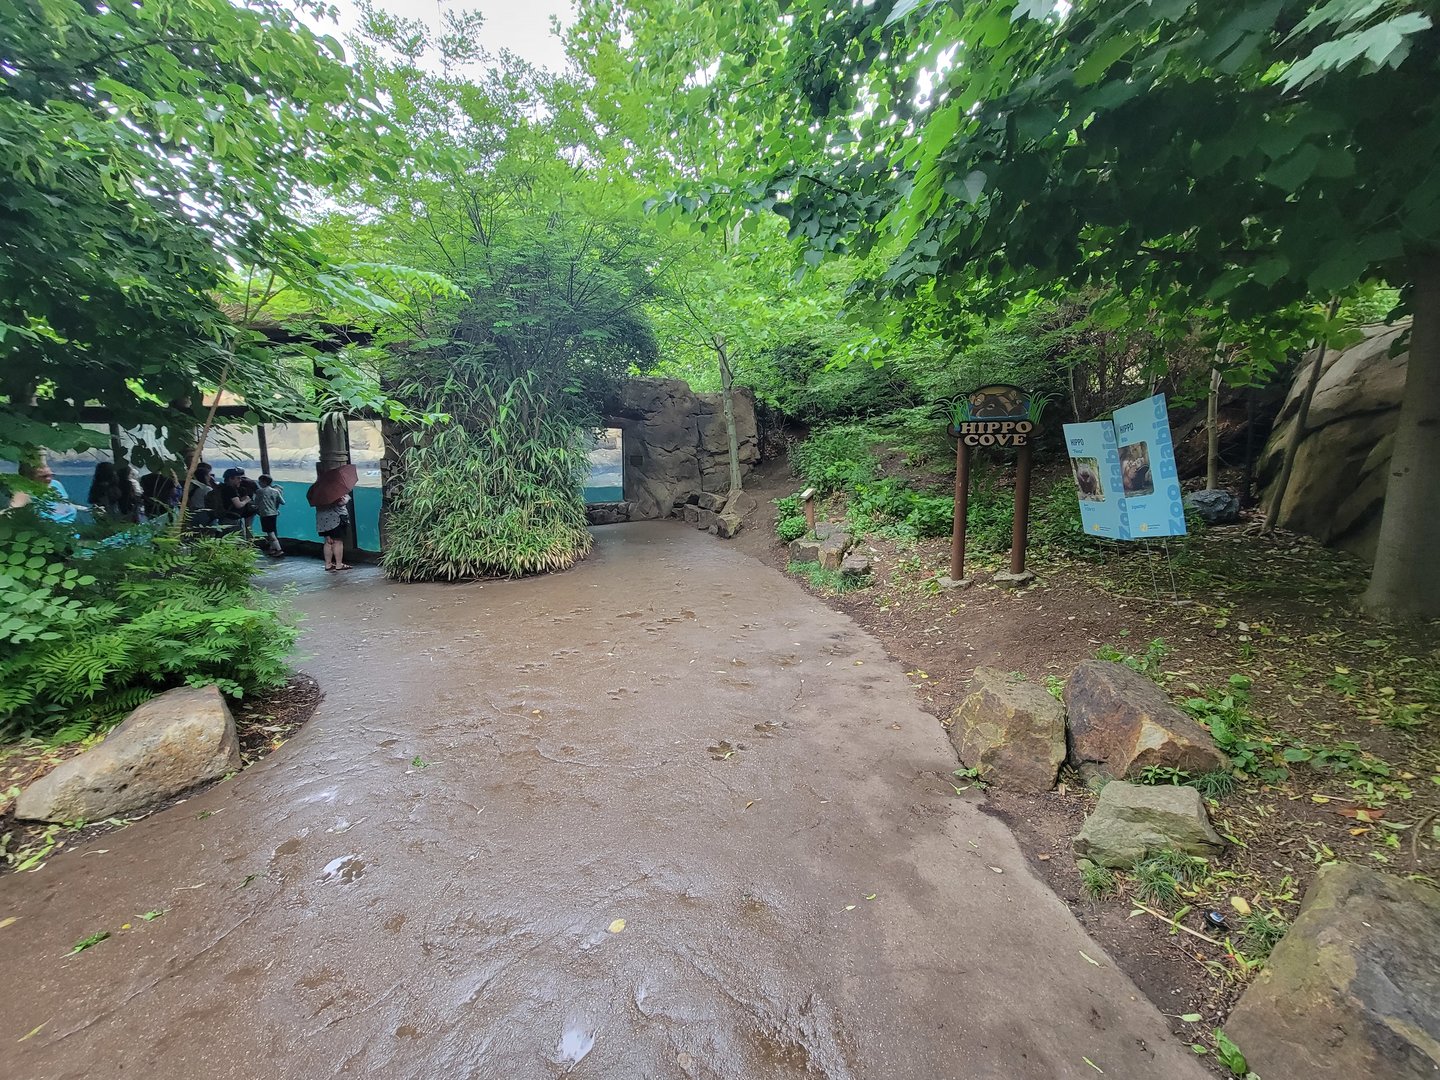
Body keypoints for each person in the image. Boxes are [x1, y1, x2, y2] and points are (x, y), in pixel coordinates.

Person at [8, 457, 79, 523]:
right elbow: (10, 513)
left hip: (71, 532)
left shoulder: (56, 485)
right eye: (43, 476)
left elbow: (62, 504)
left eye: (50, 475)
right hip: (48, 533)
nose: (49, 479)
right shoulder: (24, 492)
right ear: (29, 479)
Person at [315, 492, 351, 571]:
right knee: (337, 541)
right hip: (336, 519)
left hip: (322, 520)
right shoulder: (335, 490)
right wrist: (347, 498)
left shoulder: (317, 492)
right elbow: (341, 503)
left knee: (328, 541)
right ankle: (339, 564)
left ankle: (328, 564)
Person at [254, 474, 285, 556]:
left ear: (264, 482)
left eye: (259, 481)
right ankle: (272, 549)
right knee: (272, 531)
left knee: (270, 533)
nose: (258, 483)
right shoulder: (276, 491)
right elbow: (283, 502)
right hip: (274, 514)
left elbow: (255, 503)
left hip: (265, 514)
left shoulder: (259, 491)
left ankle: (279, 550)